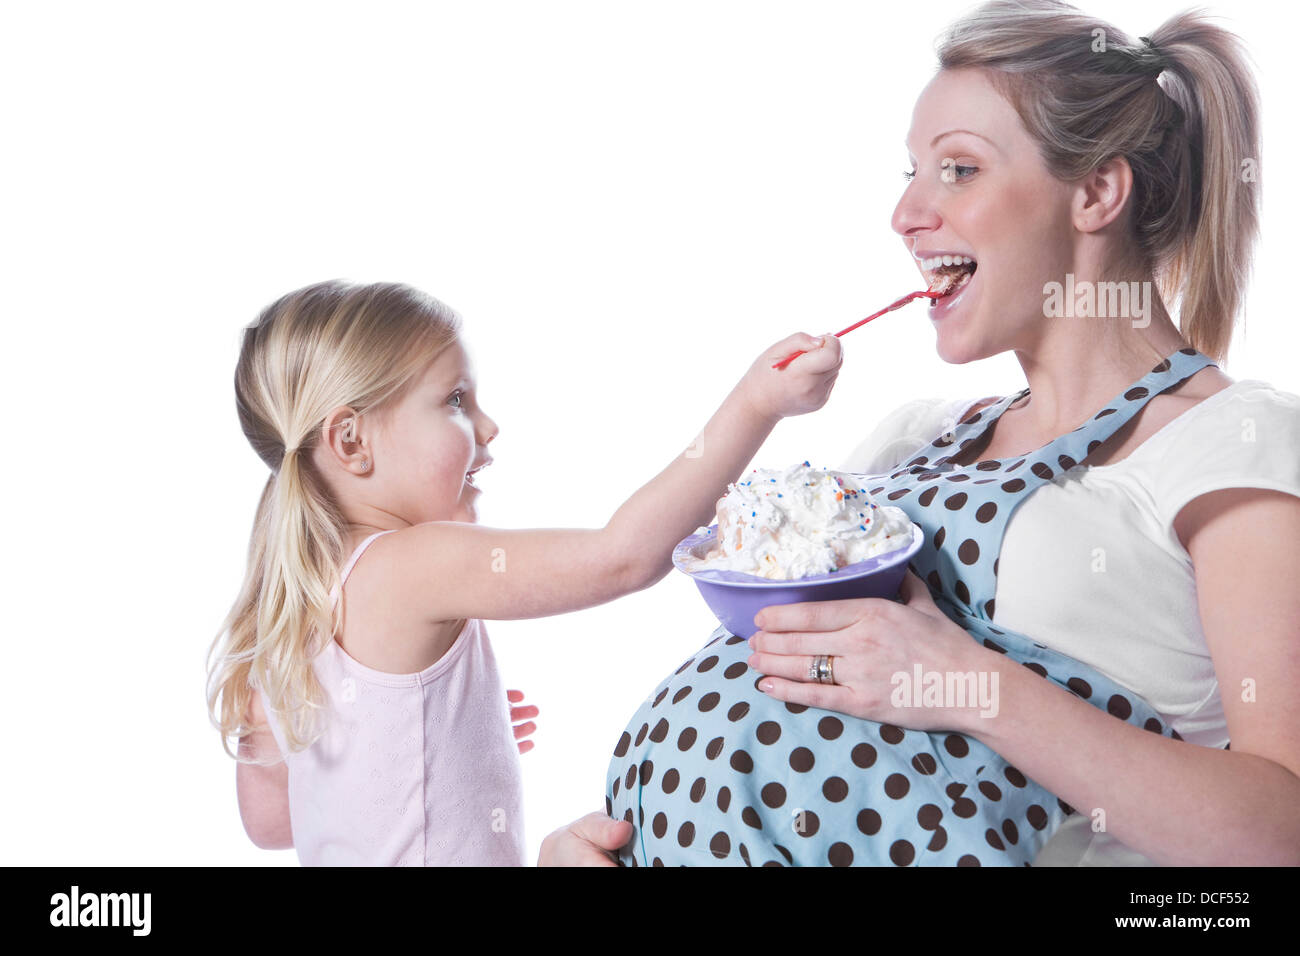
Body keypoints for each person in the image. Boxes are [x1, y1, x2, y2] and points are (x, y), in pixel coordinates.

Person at [541, 0, 1300, 866]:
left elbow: (1282, 831)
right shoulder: (912, 441)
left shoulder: (1233, 443)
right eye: (910, 172)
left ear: (1096, 192)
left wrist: (968, 686)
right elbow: (763, 701)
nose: (905, 213)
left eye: (959, 170)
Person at [206, 279, 842, 865]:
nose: (488, 426)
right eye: (455, 400)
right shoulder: (412, 563)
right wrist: (758, 403)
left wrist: (407, 743)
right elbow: (621, 556)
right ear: (350, 442)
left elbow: (269, 822)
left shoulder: (295, 602)